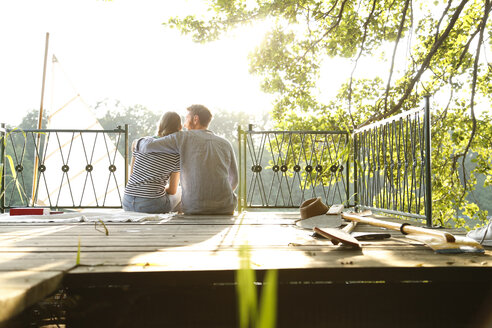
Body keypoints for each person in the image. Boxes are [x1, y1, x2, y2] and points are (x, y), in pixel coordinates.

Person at [136, 104, 238, 215]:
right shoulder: (225, 143)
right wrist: (218, 198)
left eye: (186, 118)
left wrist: (137, 142)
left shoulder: (182, 137)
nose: (184, 124)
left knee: (177, 193)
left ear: (195, 119)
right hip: (225, 207)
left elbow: (148, 146)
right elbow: (234, 179)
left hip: (194, 208)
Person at [123, 111, 182, 213]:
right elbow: (172, 190)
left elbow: (132, 175)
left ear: (160, 125)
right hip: (151, 205)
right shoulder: (176, 154)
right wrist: (154, 190)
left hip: (127, 202)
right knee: (180, 191)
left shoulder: (140, 143)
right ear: (180, 128)